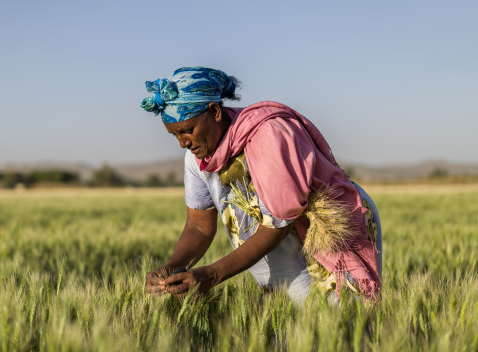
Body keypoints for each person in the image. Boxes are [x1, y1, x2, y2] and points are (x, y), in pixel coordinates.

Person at [142, 67, 381, 303]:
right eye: (174, 135)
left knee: (336, 320)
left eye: (187, 130)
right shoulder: (197, 157)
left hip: (321, 237)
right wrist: (173, 267)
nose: (183, 142)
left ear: (214, 111)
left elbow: (279, 224)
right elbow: (199, 225)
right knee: (287, 329)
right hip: (270, 245)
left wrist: (212, 274)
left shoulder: (268, 136)